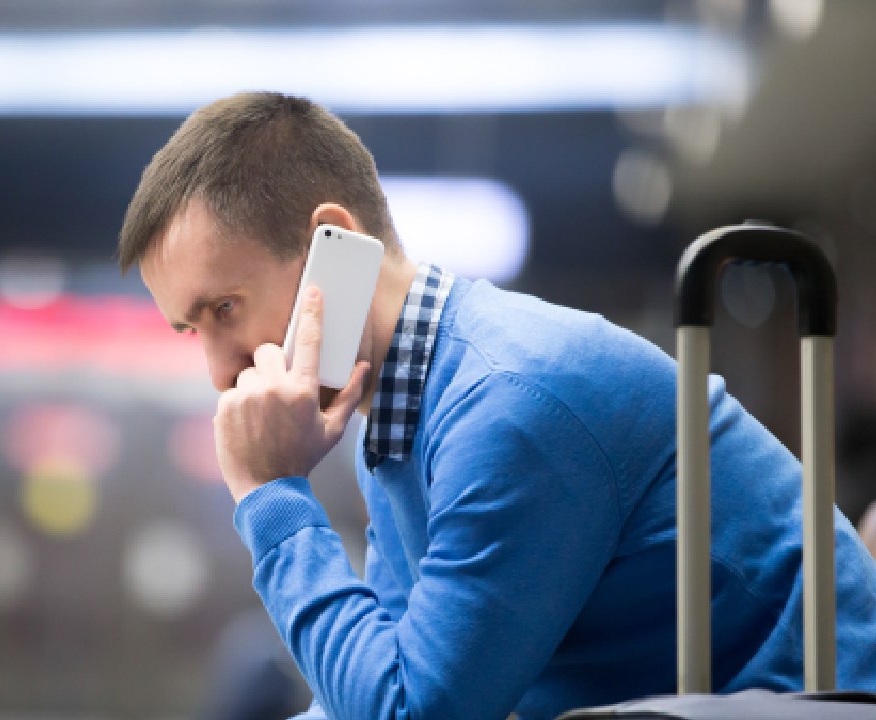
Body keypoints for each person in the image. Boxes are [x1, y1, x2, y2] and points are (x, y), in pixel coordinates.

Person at [117, 91, 876, 720]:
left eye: (224, 308)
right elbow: (373, 681)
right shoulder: (408, 404)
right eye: (192, 328)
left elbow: (409, 714)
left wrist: (272, 496)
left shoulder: (508, 403)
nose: (219, 371)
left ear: (333, 244)